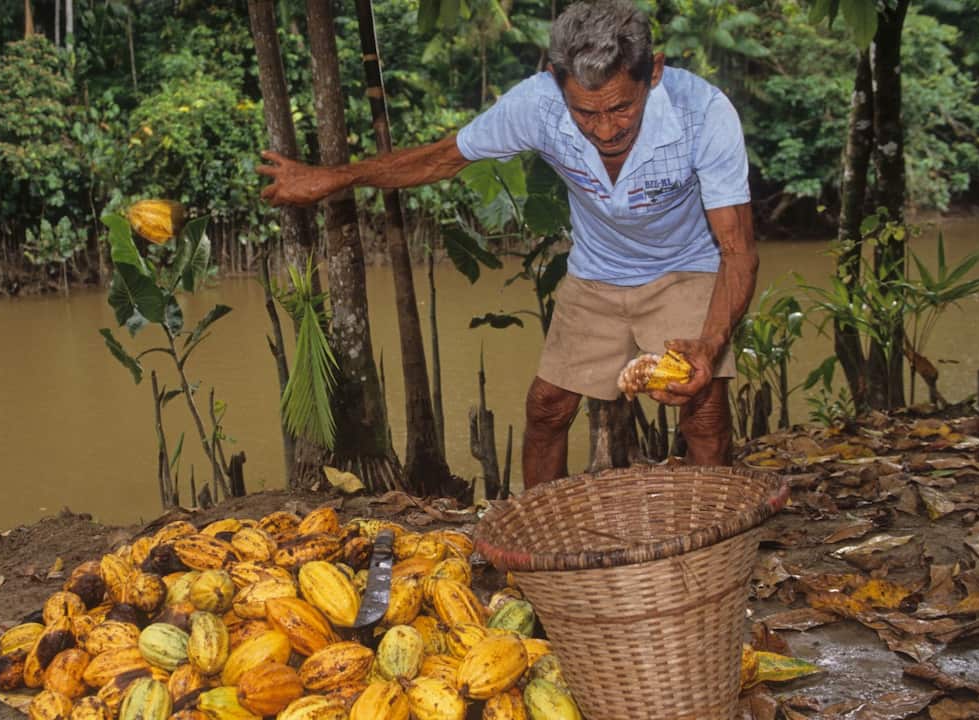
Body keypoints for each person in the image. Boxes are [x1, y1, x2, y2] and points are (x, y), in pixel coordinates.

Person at [256, 0, 758, 488]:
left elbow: (736, 249)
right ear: (558, 84)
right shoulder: (537, 105)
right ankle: (544, 540)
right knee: (545, 409)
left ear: (654, 72)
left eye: (621, 108)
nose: (606, 130)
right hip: (597, 271)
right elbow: (441, 158)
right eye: (585, 113)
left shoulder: (704, 114)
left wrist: (710, 344)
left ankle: (711, 537)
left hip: (685, 267)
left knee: (704, 411)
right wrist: (332, 178)